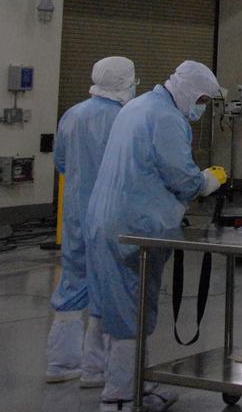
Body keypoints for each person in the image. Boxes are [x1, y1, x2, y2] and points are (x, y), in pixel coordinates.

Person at [85, 60, 226, 412]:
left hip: (106, 219)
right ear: (190, 91)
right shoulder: (166, 117)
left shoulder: (138, 106)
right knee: (131, 312)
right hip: (135, 228)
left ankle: (134, 384)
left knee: (118, 305)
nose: (201, 108)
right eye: (202, 100)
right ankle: (120, 396)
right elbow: (182, 177)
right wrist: (207, 180)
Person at [44, 56, 137, 386]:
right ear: (125, 81)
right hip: (111, 214)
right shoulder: (125, 118)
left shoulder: (73, 114)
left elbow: (62, 161)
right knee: (109, 286)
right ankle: (96, 368)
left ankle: (60, 362)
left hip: (76, 212)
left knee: (73, 279)